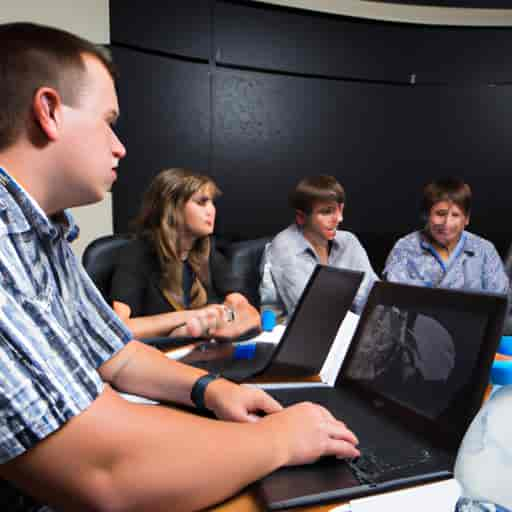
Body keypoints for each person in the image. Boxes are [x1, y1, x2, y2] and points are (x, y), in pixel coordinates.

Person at [0, 23, 360, 512]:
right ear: (49, 112)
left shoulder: (46, 235)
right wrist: (281, 440)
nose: (119, 146)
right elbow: (103, 473)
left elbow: (116, 353)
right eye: (108, 121)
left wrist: (210, 390)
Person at [109, 167, 261, 340]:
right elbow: (118, 327)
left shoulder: (204, 249)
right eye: (201, 202)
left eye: (212, 203)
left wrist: (224, 318)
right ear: (172, 208)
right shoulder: (137, 253)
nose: (211, 210)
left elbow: (244, 309)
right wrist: (191, 317)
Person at [259, 175, 378, 316]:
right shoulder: (284, 247)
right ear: (301, 217)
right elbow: (313, 313)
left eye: (340, 209)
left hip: (347, 328)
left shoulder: (349, 241)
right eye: (327, 212)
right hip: (294, 332)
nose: (339, 219)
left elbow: (375, 297)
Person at [383, 178, 509, 294]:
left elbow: (500, 300)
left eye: (455, 215)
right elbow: (393, 296)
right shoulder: (404, 247)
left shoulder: (485, 250)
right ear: (427, 215)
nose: (447, 223)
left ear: (466, 219)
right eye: (440, 214)